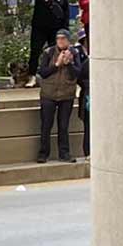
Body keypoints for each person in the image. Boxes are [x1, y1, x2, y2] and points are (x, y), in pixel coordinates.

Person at [36, 28, 85, 164]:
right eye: (58, 39)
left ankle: (64, 153)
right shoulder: (48, 52)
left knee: (63, 126)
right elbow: (43, 72)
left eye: (63, 39)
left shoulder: (74, 53)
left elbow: (77, 73)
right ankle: (43, 153)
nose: (60, 41)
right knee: (46, 125)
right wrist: (56, 64)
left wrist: (68, 64)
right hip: (49, 94)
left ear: (68, 40)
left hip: (66, 94)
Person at [20, 0, 72, 84]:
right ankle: (32, 76)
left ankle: (53, 75)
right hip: (39, 27)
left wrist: (65, 32)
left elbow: (66, 16)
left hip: (55, 29)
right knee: (35, 51)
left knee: (54, 52)